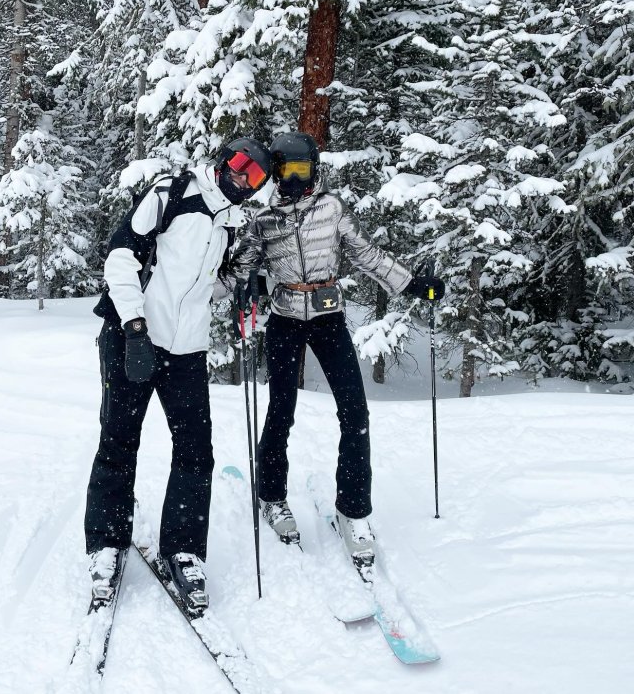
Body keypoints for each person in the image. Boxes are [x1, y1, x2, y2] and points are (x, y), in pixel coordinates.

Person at [229, 132, 444, 566]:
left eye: (301, 171)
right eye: (285, 172)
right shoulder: (263, 220)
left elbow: (367, 254)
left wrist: (412, 284)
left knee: (355, 411)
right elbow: (240, 268)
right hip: (286, 318)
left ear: (314, 171)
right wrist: (247, 282)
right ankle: (272, 496)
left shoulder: (332, 208)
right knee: (281, 411)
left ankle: (354, 510)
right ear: (274, 173)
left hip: (328, 315)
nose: (293, 180)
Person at [84, 137, 272, 613]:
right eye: (239, 164)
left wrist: (244, 286)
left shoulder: (231, 222)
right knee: (119, 440)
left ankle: (184, 549)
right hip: (134, 336)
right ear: (223, 159)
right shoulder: (173, 193)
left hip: (187, 349)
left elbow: (209, 286)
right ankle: (107, 545)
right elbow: (121, 256)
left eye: (255, 176)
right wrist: (133, 325)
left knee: (195, 450)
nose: (242, 178)